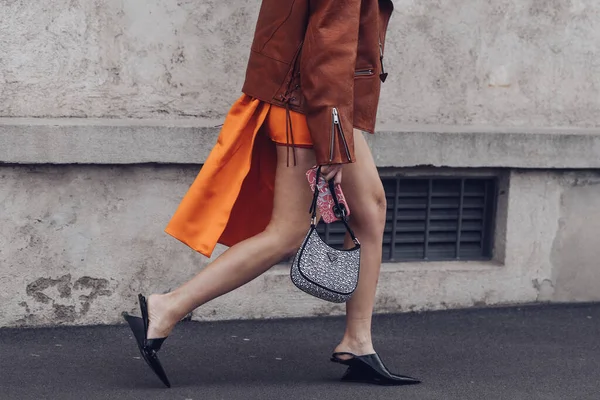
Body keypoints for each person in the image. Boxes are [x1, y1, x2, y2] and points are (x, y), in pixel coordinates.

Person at [123, 0, 421, 388]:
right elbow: (328, 43)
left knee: (370, 208)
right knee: (288, 231)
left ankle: (358, 342)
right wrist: (332, 141)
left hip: (314, 99)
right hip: (307, 103)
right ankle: (166, 308)